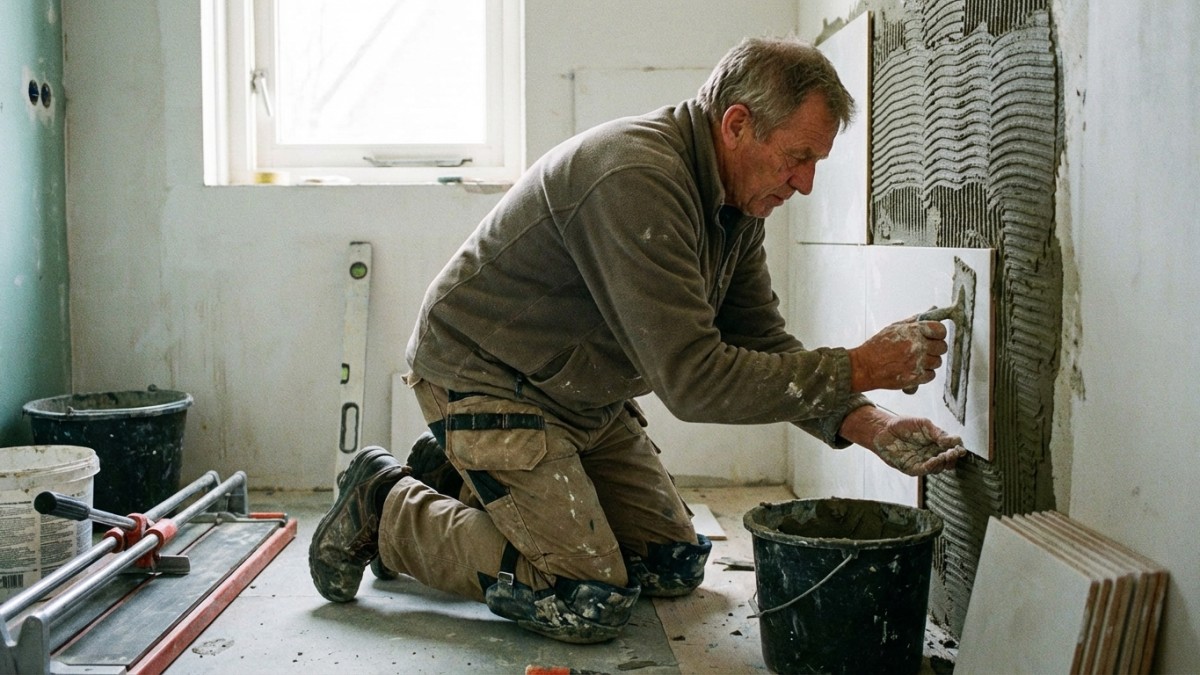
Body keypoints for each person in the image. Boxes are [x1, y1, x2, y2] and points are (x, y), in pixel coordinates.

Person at [309, 35, 967, 644]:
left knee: (672, 563)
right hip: (484, 374)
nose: (805, 182)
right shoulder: (637, 180)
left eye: (815, 162)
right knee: (584, 594)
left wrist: (869, 422)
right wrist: (859, 365)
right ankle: (386, 504)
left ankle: (456, 475)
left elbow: (762, 341)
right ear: (737, 125)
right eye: (798, 158)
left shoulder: (735, 204)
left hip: (574, 392)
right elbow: (693, 379)